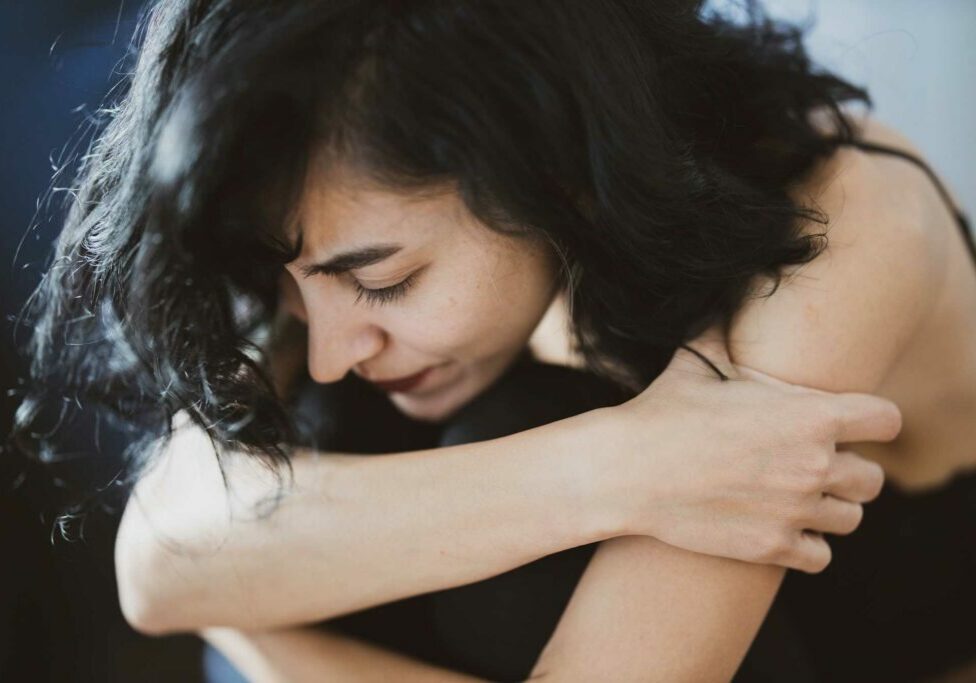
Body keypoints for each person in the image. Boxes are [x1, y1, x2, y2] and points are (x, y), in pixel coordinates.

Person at [12, 0, 974, 680]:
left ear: (552, 170)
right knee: (328, 434)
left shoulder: (844, 224)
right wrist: (619, 465)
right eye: (285, 286)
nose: (331, 347)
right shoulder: (330, 203)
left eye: (384, 280)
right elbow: (159, 549)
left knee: (455, 471)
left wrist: (263, 634)